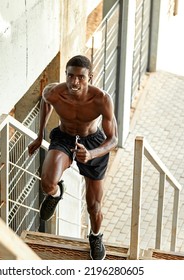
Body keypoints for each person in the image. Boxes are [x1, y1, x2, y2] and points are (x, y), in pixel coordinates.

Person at [28, 55, 118, 260]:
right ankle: (56, 193)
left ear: (90, 77)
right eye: (70, 76)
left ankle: (95, 237)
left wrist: (91, 153)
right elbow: (45, 102)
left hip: (93, 143)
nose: (74, 82)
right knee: (47, 183)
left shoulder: (102, 99)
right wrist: (39, 135)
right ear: (65, 75)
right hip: (64, 138)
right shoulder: (54, 92)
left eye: (80, 77)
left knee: (94, 206)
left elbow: (113, 140)